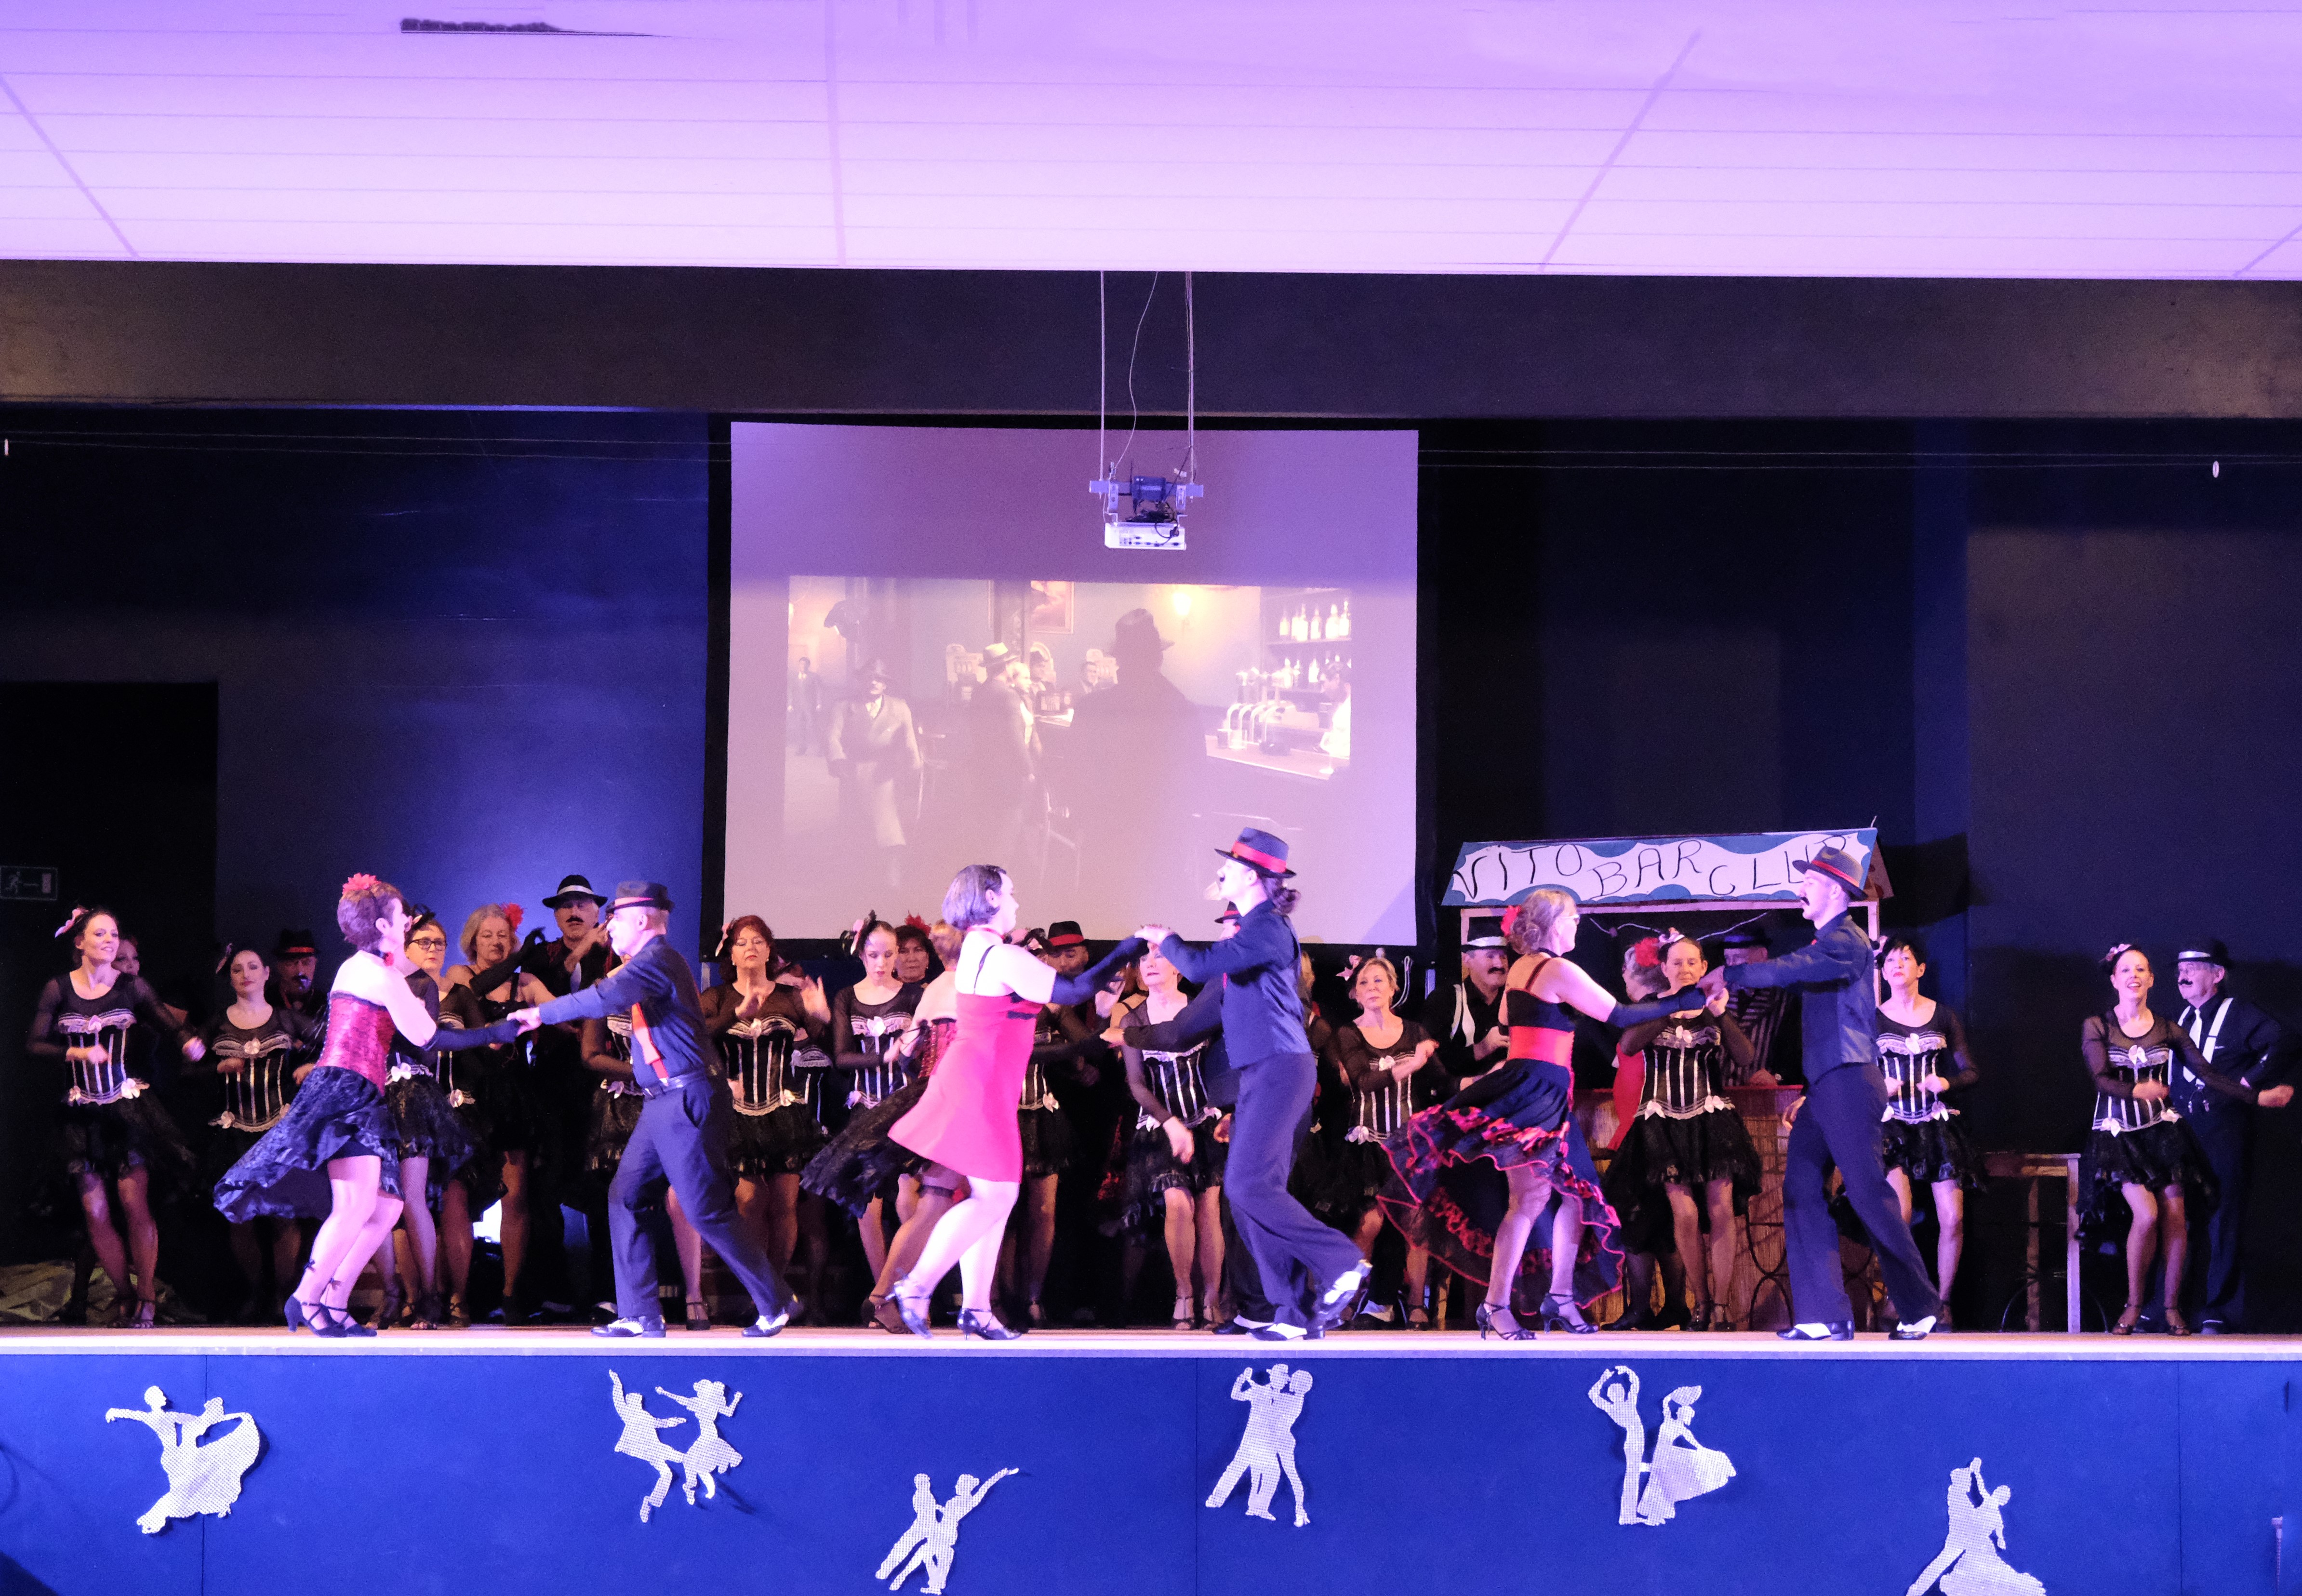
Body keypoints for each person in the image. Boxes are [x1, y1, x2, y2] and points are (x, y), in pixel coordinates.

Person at [1383, 888, 1693, 1339]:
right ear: (1552, 923)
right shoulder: (1557, 969)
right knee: (1530, 1201)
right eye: (1572, 918)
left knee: (1574, 1196)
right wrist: (1685, 998)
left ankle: (1558, 1297)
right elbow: (1621, 1016)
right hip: (1538, 1090)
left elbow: (1507, 1022)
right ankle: (1496, 1305)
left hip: (1540, 1087)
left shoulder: (1522, 969)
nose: (1577, 925)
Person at [217, 876, 513, 1337]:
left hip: (354, 1092)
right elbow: (428, 1038)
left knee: (387, 1206)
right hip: (348, 1093)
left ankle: (332, 1302)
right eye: (400, 917)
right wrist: (498, 1032)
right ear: (381, 925)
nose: (408, 922)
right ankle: (308, 1297)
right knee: (356, 1205)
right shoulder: (379, 975)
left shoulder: (360, 967)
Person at [511, 881, 798, 1338]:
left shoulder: (657, 960)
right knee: (625, 1196)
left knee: (705, 1209)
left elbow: (602, 998)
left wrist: (539, 1013)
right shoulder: (645, 964)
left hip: (685, 1097)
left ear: (642, 920)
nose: (609, 927)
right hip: (661, 1100)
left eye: (617, 919)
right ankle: (640, 1312)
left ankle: (776, 1300)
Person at [884, 864, 1141, 1339]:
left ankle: (976, 1309)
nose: (1017, 902)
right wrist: (1127, 948)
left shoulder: (982, 949)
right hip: (980, 1086)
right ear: (989, 898)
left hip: (985, 1084)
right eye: (1011, 893)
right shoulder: (999, 955)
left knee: (994, 1198)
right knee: (997, 1196)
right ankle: (917, 1287)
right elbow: (1073, 990)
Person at [1695, 846, 1941, 1341]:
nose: (1801, 890)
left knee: (1868, 1192)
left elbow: (1790, 969)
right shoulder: (1827, 943)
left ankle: (1919, 1307)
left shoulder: (1846, 941)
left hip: (1849, 1080)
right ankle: (1823, 1314)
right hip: (1828, 1084)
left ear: (1835, 891)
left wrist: (1730, 973)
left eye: (1809, 883)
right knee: (1801, 1190)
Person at [1140, 829, 1366, 1342]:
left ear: (1252, 877)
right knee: (1250, 1195)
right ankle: (1291, 1312)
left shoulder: (1267, 927)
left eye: (1230, 866)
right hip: (1263, 1073)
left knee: (1246, 1187)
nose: (1220, 872)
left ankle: (1341, 1261)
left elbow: (1197, 964)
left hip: (1280, 1068)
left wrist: (1165, 938)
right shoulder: (1255, 931)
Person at [2080, 944, 2290, 1335]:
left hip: (2173, 1133)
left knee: (2186, 1216)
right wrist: (2135, 1091)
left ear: (2151, 979)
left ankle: (2181, 1309)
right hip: (2122, 1134)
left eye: (2141, 970)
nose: (2134, 976)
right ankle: (2138, 1305)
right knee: (2149, 1216)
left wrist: (2256, 1094)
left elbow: (2209, 1073)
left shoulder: (2172, 1025)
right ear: (2114, 980)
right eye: (2126, 970)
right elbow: (2100, 1078)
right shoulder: (2102, 1025)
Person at [28, 906, 204, 1327]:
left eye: (113, 934)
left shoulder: (132, 986)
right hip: (80, 1113)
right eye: (100, 934)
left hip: (126, 1108)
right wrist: (76, 1051)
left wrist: (187, 1041)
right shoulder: (58, 989)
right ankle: (124, 1295)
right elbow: (34, 1044)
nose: (109, 941)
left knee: (133, 1203)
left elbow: (168, 1023)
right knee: (95, 1213)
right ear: (80, 942)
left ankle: (146, 1297)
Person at [1601, 933, 1762, 1333]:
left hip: (1711, 1117)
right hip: (1662, 1120)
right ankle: (1700, 1304)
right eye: (1676, 962)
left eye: (1692, 962)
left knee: (1721, 1209)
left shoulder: (1714, 1007)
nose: (1685, 969)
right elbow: (1629, 1045)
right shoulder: (1650, 1005)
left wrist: (1719, 1012)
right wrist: (1672, 1005)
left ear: (1704, 967)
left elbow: (1745, 1056)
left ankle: (1721, 1307)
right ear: (1663, 968)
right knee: (1685, 1214)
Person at [2169, 938, 2295, 1333]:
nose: (2182, 976)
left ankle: (2219, 1310)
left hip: (2223, 1127)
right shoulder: (2181, 1018)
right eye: (2179, 969)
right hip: (2183, 1130)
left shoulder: (2239, 1014)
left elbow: (2284, 1041)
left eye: (2193, 968)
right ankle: (2170, 1307)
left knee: (2223, 1217)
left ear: (2217, 975)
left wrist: (2249, 1082)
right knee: (2178, 1216)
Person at [701, 917, 827, 1303]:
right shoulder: (716, 997)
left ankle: (775, 1290)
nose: (751, 948)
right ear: (731, 954)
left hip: (784, 1111)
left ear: (770, 950)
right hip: (736, 1113)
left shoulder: (789, 996)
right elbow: (697, 1041)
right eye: (742, 943)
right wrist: (737, 1013)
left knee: (785, 1205)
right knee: (748, 1201)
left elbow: (826, 1042)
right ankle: (760, 1290)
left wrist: (820, 1017)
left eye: (758, 941)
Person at [438, 903, 553, 1324]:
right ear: (472, 940)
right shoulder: (459, 976)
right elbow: (474, 993)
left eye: (503, 934)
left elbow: (564, 1013)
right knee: (460, 1196)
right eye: (487, 935)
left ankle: (510, 1294)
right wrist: (520, 960)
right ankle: (458, 1293)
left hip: (513, 1094)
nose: (496, 942)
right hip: (468, 1095)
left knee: (515, 1197)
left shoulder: (527, 983)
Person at [198, 943, 320, 1323]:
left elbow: (336, 1044)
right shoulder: (218, 1023)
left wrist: (313, 1066)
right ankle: (256, 1292)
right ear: (230, 978)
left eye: (253, 967)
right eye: (237, 969)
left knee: (284, 1216)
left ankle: (284, 1296)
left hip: (279, 1132)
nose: (246, 974)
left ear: (267, 974)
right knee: (241, 1217)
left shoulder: (286, 1019)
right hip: (234, 1129)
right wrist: (217, 1069)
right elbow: (186, 1069)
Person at [1316, 956, 1439, 1328]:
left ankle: (1416, 1305)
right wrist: (1411, 1065)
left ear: (1393, 987)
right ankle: (1347, 1300)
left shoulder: (1415, 1032)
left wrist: (1483, 1074)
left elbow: (1444, 1082)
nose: (1371, 987)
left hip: (1409, 1145)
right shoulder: (1347, 1034)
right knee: (1369, 1223)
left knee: (1415, 1221)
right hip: (1367, 1145)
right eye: (1364, 982)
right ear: (1354, 994)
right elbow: (1364, 1082)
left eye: (1379, 980)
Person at [376, 907, 482, 1330]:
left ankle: (431, 1299)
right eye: (424, 941)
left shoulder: (422, 985)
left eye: (439, 942)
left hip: (411, 1095)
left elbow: (425, 1047)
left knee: (412, 1197)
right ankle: (393, 1295)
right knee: (378, 1201)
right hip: (374, 1095)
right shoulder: (374, 979)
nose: (433, 948)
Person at [1116, 940, 1227, 1330]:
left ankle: (1212, 1296)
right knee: (1177, 1202)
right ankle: (1184, 1293)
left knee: (1209, 1208)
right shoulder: (1133, 1019)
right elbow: (1136, 1083)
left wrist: (1226, 1110)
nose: (1150, 964)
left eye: (1160, 956)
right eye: (1144, 959)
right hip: (1160, 1124)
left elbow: (1222, 1064)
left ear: (1179, 966)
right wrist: (1169, 1122)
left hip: (1204, 1119)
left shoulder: (1201, 1009)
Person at [1874, 934, 1983, 1320]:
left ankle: (1943, 1302)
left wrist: (1946, 1082)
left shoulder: (1943, 1016)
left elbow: (1971, 1071)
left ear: (1920, 969)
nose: (1897, 965)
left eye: (1905, 959)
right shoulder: (1873, 1018)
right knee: (1899, 1215)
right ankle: (1899, 1295)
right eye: (1890, 960)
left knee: (1952, 1218)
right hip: (1891, 1127)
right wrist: (1879, 1084)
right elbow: (1854, 1074)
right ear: (1883, 971)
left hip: (1935, 1125)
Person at [580, 1008, 711, 1328]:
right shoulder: (606, 994)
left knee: (681, 1198)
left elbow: (695, 1041)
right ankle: (628, 1302)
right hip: (620, 1108)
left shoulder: (668, 991)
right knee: (622, 1200)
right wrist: (640, 1072)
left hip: (669, 1101)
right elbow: (591, 1055)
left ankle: (692, 1295)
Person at [828, 919, 925, 1299]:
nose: (881, 963)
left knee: (907, 1199)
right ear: (861, 955)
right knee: (867, 1206)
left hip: (905, 1107)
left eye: (888, 954)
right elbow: (841, 1057)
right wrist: (883, 1056)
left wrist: (910, 1052)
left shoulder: (913, 995)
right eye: (873, 955)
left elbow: (926, 1052)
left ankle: (913, 1292)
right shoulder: (847, 997)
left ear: (897, 954)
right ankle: (881, 1296)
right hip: (866, 1107)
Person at [828, 659, 923, 892]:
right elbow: (833, 736)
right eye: (869, 678)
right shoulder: (844, 707)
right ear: (861, 681)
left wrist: (914, 768)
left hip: (885, 774)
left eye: (879, 679)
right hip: (853, 771)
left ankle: (892, 874)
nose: (873, 683)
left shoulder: (899, 707)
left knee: (888, 824)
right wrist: (838, 760)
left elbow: (910, 741)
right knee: (855, 824)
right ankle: (853, 877)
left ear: (886, 685)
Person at [1422, 915, 1511, 1085]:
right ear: (1467, 960)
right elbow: (1432, 1064)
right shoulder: (1445, 1000)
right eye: (1490, 956)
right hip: (1462, 1098)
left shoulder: (1514, 1001)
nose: (1499, 964)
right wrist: (1483, 1048)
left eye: (1503, 957)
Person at [1719, 928, 1790, 1087]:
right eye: (1728, 958)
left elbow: (1793, 1054)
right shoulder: (1718, 997)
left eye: (1738, 957)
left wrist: (1777, 1076)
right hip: (1719, 1092)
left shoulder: (1783, 1000)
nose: (1731, 965)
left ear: (1762, 955)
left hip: (1760, 1092)